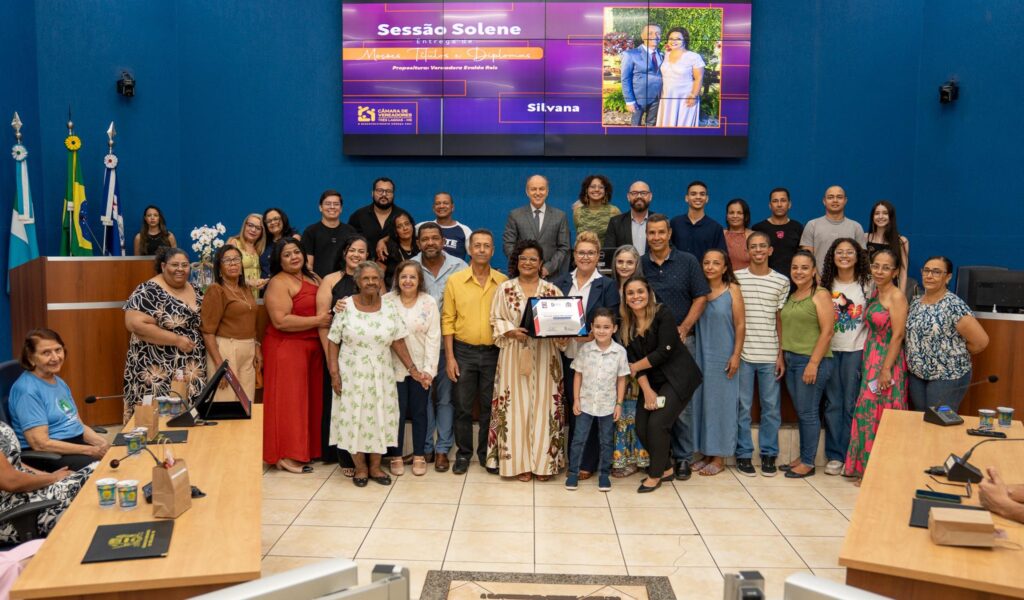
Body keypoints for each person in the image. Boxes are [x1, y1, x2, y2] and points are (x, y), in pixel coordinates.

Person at [327, 261, 427, 487]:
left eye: (375, 278)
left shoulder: (389, 307)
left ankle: (375, 467)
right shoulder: (345, 306)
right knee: (354, 418)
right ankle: (361, 468)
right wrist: (334, 374)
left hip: (381, 373)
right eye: (366, 278)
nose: (371, 282)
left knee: (379, 417)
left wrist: (413, 369)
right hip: (351, 373)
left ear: (381, 281)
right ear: (357, 281)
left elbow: (398, 341)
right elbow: (333, 340)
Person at [487, 240, 567, 481]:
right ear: (517, 261)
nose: (528, 263)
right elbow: (495, 318)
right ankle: (518, 463)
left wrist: (563, 331)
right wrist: (510, 331)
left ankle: (545, 464)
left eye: (533, 259)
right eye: (523, 258)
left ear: (541, 263)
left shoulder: (552, 291)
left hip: (546, 357)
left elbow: (563, 323)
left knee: (546, 406)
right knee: (514, 406)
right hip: (514, 354)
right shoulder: (505, 289)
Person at [641, 213, 709, 480]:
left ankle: (683, 458)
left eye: (661, 232)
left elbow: (701, 296)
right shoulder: (641, 264)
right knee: (656, 403)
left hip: (682, 343)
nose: (656, 237)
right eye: (651, 233)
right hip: (651, 346)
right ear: (646, 236)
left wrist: (684, 327)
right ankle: (662, 457)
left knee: (682, 405)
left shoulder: (688, 261)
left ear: (669, 234)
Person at [621, 276, 703, 493]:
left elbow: (663, 352)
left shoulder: (662, 313)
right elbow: (633, 361)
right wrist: (647, 391)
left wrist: (634, 367)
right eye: (630, 293)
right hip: (652, 381)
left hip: (678, 377)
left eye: (640, 291)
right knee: (641, 426)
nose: (636, 296)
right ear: (625, 298)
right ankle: (666, 468)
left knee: (658, 424)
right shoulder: (626, 325)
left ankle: (654, 475)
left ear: (648, 293)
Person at [552, 231, 620, 480]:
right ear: (574, 255)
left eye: (591, 253)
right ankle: (565, 458)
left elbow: (612, 319)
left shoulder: (607, 285)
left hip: (593, 359)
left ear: (598, 255)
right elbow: (552, 317)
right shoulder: (560, 282)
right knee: (569, 409)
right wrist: (558, 336)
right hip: (563, 356)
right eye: (581, 252)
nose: (585, 257)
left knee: (590, 409)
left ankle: (586, 462)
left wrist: (591, 336)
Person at [263, 239, 332, 474]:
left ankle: (306, 450)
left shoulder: (314, 277)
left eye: (296, 252)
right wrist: (318, 321)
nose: (294, 257)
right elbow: (280, 321)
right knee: (290, 402)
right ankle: (285, 454)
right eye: (287, 254)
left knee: (310, 401)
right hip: (287, 348)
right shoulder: (278, 282)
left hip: (313, 347)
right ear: (279, 260)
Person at [442, 230, 508, 475]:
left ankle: (486, 455)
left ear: (493, 250)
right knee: (462, 406)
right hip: (463, 352)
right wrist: (450, 357)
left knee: (490, 407)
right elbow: (448, 320)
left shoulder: (503, 281)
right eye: (477, 245)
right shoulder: (455, 281)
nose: (481, 249)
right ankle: (463, 454)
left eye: (486, 246)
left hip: (494, 352)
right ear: (469, 249)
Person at [844, 248, 908, 481]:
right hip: (870, 360)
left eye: (886, 267)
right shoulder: (875, 292)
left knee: (882, 416)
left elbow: (898, 335)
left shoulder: (897, 297)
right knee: (866, 414)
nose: (879, 271)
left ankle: (880, 474)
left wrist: (886, 369)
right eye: (876, 266)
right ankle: (865, 469)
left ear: (895, 272)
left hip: (887, 363)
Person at [123, 247, 205, 421]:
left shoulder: (195, 288)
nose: (180, 269)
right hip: (158, 370)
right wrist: (176, 340)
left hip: (190, 370)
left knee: (188, 422)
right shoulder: (148, 290)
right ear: (163, 266)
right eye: (174, 264)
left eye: (185, 265)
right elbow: (134, 323)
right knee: (158, 422)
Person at [8, 329, 109, 470]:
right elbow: (40, 444)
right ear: (31, 358)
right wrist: (90, 450)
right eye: (46, 353)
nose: (55, 358)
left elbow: (76, 423)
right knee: (104, 470)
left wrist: (103, 444)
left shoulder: (58, 381)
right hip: (50, 455)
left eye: (58, 350)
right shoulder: (27, 390)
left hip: (73, 446)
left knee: (119, 456)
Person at [412, 223, 468, 472]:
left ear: (443, 241)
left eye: (435, 238)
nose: (430, 243)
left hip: (448, 346)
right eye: (425, 239)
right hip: (419, 346)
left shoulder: (459, 266)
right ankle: (425, 447)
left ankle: (443, 449)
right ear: (418, 243)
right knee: (423, 398)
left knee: (445, 398)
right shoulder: (410, 267)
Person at [734, 232, 790, 476]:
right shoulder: (736, 278)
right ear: (747, 251)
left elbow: (780, 320)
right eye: (753, 246)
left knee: (771, 408)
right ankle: (744, 454)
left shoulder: (781, 281)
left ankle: (769, 454)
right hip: (744, 355)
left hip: (769, 355)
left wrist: (780, 354)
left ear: (770, 250)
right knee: (742, 407)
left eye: (762, 246)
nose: (758, 250)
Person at [905, 256, 989, 411]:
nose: (929, 275)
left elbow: (981, 342)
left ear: (948, 277)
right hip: (917, 375)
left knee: (939, 420)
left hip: (947, 375)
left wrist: (952, 353)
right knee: (919, 419)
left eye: (936, 272)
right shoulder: (916, 302)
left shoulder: (954, 305)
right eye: (926, 271)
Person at [314, 236, 369, 473]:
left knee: (364, 407)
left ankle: (366, 454)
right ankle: (343, 457)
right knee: (341, 405)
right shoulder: (330, 280)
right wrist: (331, 360)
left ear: (367, 256)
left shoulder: (372, 280)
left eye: (361, 251)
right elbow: (323, 322)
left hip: (367, 357)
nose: (356, 255)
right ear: (345, 253)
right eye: (352, 250)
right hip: (338, 353)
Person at [779, 250, 835, 478]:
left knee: (809, 412)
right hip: (792, 359)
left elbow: (828, 331)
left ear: (813, 271)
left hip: (811, 361)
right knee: (802, 412)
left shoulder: (820, 294)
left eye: (804, 268)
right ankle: (803, 456)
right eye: (795, 267)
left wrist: (813, 363)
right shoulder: (792, 295)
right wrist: (781, 356)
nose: (799, 272)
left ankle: (808, 462)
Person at [819, 238, 871, 476]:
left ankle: (851, 455)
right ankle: (835, 455)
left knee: (851, 403)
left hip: (855, 350)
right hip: (829, 350)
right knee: (833, 403)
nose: (844, 256)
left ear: (858, 256)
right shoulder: (825, 284)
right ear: (832, 256)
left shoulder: (867, 284)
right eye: (839, 252)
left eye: (850, 252)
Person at [690, 249, 745, 476]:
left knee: (721, 404)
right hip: (700, 354)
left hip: (723, 355)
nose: (710, 267)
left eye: (716, 263)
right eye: (706, 262)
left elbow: (740, 324)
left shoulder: (733, 290)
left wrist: (736, 355)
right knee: (702, 403)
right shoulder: (698, 291)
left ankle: (719, 457)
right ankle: (706, 453)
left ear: (724, 267)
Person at [383, 261, 440, 477]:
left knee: (419, 411)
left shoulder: (429, 302)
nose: (408, 281)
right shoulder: (386, 301)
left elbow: (434, 338)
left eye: (412, 277)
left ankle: (419, 455)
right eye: (404, 277)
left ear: (419, 280)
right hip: (392, 368)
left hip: (421, 370)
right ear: (397, 279)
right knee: (395, 413)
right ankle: (396, 455)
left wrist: (429, 371)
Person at [0, 420, 93, 545]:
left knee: (94, 476)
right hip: (12, 513)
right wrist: (53, 478)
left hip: (27, 496)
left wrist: (48, 476)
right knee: (92, 477)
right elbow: (11, 481)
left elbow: (14, 464)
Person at [566, 308, 629, 492]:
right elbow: (578, 375)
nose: (602, 331)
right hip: (585, 403)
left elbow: (621, 379)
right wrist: (576, 399)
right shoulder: (585, 350)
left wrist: (619, 403)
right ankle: (573, 473)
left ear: (614, 328)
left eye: (606, 327)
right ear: (592, 327)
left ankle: (604, 475)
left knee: (606, 441)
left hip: (608, 406)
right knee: (579, 439)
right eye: (598, 327)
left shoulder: (619, 352)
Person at [609, 245, 650, 477]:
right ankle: (621, 459)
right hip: (612, 359)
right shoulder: (608, 287)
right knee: (619, 411)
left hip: (637, 360)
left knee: (635, 412)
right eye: (620, 261)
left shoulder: (643, 289)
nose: (624, 266)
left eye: (629, 262)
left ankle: (639, 459)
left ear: (637, 265)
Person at [200, 245, 259, 402]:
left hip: (248, 349)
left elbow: (250, 321)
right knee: (225, 402)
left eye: (236, 259)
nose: (233, 263)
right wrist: (220, 365)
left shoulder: (245, 289)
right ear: (219, 267)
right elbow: (208, 332)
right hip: (226, 349)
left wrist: (256, 346)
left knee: (246, 403)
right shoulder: (216, 289)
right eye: (227, 260)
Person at [503, 175, 571, 278]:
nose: (538, 193)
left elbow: (564, 247)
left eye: (541, 189)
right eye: (533, 189)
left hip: (551, 277)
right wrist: (523, 265)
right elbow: (508, 245)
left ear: (547, 191)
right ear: (527, 192)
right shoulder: (515, 215)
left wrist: (548, 268)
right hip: (522, 276)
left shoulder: (560, 216)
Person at [799, 185, 866, 273]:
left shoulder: (856, 227)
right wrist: (816, 278)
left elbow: (862, 260)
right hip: (819, 279)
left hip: (848, 280)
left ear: (845, 200)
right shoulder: (812, 225)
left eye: (839, 197)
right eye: (830, 197)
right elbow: (807, 259)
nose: (835, 200)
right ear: (824, 201)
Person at [351, 177, 411, 263]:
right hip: (364, 267)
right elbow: (350, 243)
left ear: (393, 194)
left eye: (388, 191)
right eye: (380, 190)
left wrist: (385, 239)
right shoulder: (358, 216)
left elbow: (412, 236)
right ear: (372, 193)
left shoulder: (403, 216)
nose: (384, 194)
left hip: (397, 267)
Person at [655, 27, 705, 128]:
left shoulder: (694, 57)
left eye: (678, 39)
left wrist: (693, 96)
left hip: (685, 97)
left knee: (683, 126)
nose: (673, 41)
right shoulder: (666, 54)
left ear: (685, 40)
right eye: (671, 38)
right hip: (667, 95)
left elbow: (699, 78)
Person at [302, 189, 357, 278]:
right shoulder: (310, 232)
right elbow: (308, 266)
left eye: (336, 204)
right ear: (320, 207)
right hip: (318, 282)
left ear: (341, 208)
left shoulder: (351, 231)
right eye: (328, 204)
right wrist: (320, 283)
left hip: (347, 282)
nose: (332, 207)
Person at [752, 187, 803, 276]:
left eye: (783, 200)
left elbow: (802, 257)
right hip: (765, 279)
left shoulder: (797, 227)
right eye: (775, 201)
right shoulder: (758, 228)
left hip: (793, 279)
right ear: (770, 205)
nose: (779, 204)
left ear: (789, 204)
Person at [670, 181, 727, 260]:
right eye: (693, 194)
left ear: (707, 199)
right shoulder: (675, 223)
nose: (698, 197)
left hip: (703, 268)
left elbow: (721, 257)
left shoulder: (715, 228)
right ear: (686, 198)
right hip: (677, 268)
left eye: (702, 194)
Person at [620, 24, 663, 126]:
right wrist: (629, 101)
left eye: (658, 33)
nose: (655, 36)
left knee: (651, 124)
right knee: (635, 125)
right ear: (643, 36)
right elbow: (625, 79)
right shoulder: (630, 54)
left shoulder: (662, 54)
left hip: (657, 97)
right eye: (650, 33)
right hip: (638, 99)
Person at [416, 192, 473, 261]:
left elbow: (475, 257)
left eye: (445, 203)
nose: (441, 206)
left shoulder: (465, 230)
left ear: (452, 207)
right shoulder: (422, 227)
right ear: (433, 208)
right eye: (438, 203)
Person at [866, 200, 909, 290]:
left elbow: (903, 272)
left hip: (891, 289)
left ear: (891, 216)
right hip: (868, 289)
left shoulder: (901, 241)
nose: (880, 216)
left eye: (885, 213)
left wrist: (901, 295)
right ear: (872, 217)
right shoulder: (865, 238)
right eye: (877, 213)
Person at [605, 181, 653, 254]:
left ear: (650, 196)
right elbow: (609, 253)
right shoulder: (615, 223)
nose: (639, 196)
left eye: (643, 193)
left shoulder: (660, 221)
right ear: (628, 197)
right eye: (634, 193)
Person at [572, 174, 620, 247]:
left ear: (605, 191)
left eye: (601, 187)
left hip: (607, 253)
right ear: (586, 190)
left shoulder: (614, 211)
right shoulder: (578, 212)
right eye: (592, 187)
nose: (597, 189)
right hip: (585, 253)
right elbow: (578, 238)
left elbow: (619, 238)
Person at [225, 214, 268, 293]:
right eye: (250, 225)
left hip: (255, 295)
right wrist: (248, 282)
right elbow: (225, 272)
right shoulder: (234, 243)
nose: (253, 230)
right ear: (244, 226)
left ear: (262, 232)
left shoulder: (260, 249)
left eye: (258, 228)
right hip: (237, 293)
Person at [260, 207, 301, 278]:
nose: (273, 223)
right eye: (269, 221)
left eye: (276, 219)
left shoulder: (293, 238)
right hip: (264, 284)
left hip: (286, 282)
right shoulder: (263, 242)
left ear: (283, 219)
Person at [383, 213, 419, 288]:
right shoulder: (386, 248)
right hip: (393, 290)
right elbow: (379, 276)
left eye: (407, 224)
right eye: (399, 226)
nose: (405, 228)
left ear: (412, 225)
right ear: (395, 231)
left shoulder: (420, 245)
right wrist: (384, 294)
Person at [723, 198, 753, 270]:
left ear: (746, 216)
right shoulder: (720, 235)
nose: (735, 216)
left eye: (739, 213)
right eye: (731, 213)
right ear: (727, 216)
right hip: (723, 277)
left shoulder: (753, 236)